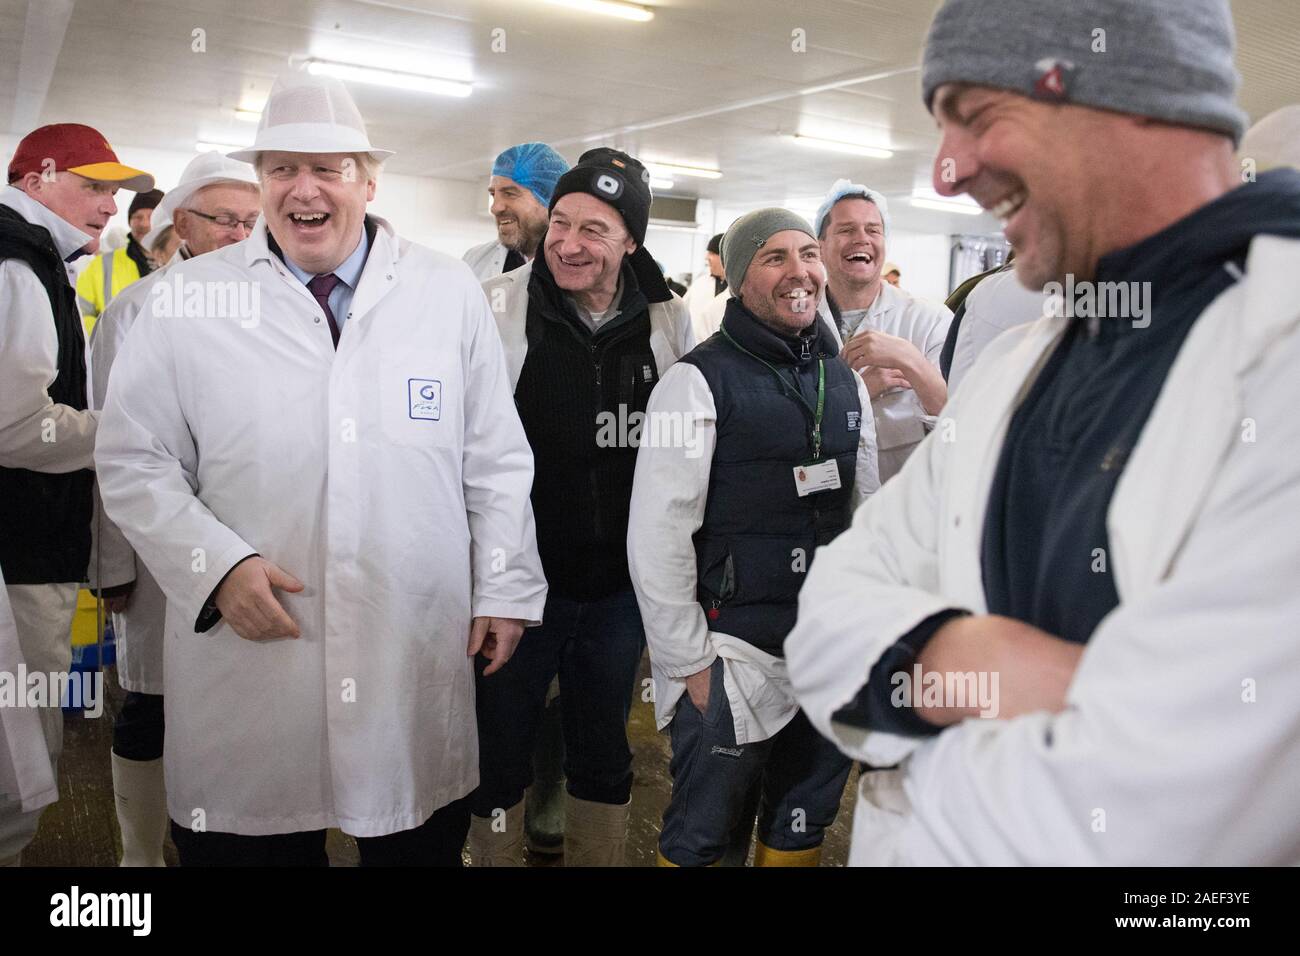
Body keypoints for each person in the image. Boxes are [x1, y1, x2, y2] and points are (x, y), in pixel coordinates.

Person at [786, 0, 1300, 865]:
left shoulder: (1277, 362)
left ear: (1130, 90)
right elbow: (827, 621)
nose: (947, 172)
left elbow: (1155, 825)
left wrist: (911, 763)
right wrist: (990, 660)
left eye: (978, 117)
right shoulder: (1026, 363)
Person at [95, 71, 546, 866]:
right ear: (260, 181)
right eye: (280, 168)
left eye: (328, 167)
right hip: (252, 636)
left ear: (368, 180)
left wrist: (506, 586)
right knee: (252, 840)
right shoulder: (186, 301)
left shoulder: (446, 293)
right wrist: (214, 565)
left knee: (413, 834)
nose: (303, 188)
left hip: (409, 628)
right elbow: (134, 458)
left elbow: (496, 457)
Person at [629, 209, 879, 867]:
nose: (798, 271)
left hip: (825, 654)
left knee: (800, 827)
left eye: (806, 254)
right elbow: (656, 537)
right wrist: (689, 663)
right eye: (773, 257)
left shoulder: (845, 380)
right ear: (740, 279)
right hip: (731, 654)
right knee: (704, 836)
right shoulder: (696, 382)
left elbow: (870, 517)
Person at [471, 147, 694, 866]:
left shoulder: (668, 322)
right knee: (498, 751)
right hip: (516, 587)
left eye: (594, 229)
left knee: (602, 750)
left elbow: (688, 453)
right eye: (561, 222)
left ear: (631, 239)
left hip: (617, 591)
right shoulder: (498, 310)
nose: (568, 242)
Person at [88, 149, 261, 866]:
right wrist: (111, 564)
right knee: (153, 706)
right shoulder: (136, 310)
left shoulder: (275, 307)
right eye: (223, 219)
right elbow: (111, 449)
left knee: (240, 712)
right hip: (160, 559)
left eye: (253, 221)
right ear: (180, 223)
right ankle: (139, 856)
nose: (240, 234)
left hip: (256, 551)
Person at [0, 122, 153, 867]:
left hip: (29, 550)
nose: (107, 206)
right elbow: (17, 428)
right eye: (91, 187)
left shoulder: (36, 263)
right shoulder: (18, 266)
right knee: (17, 760)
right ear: (34, 180)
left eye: (113, 192)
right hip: (20, 558)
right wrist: (128, 429)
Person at [817, 180, 952, 483]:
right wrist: (855, 394)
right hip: (823, 504)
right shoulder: (797, 323)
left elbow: (959, 422)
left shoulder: (929, 320)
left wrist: (911, 360)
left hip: (905, 501)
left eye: (873, 230)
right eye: (846, 230)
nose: (862, 239)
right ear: (820, 247)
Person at [463, 142, 569, 280]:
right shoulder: (475, 262)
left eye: (509, 193)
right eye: (493, 194)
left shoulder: (578, 263)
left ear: (549, 199)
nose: (495, 208)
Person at [76, 186, 162, 332]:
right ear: (130, 222)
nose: (144, 223)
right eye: (137, 217)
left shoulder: (183, 264)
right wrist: (109, 336)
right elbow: (79, 312)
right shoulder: (101, 265)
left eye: (151, 216)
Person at [682, 232, 728, 342]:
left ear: (724, 256)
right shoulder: (700, 284)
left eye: (712, 253)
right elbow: (682, 313)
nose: (707, 257)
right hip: (694, 347)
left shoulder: (737, 287)